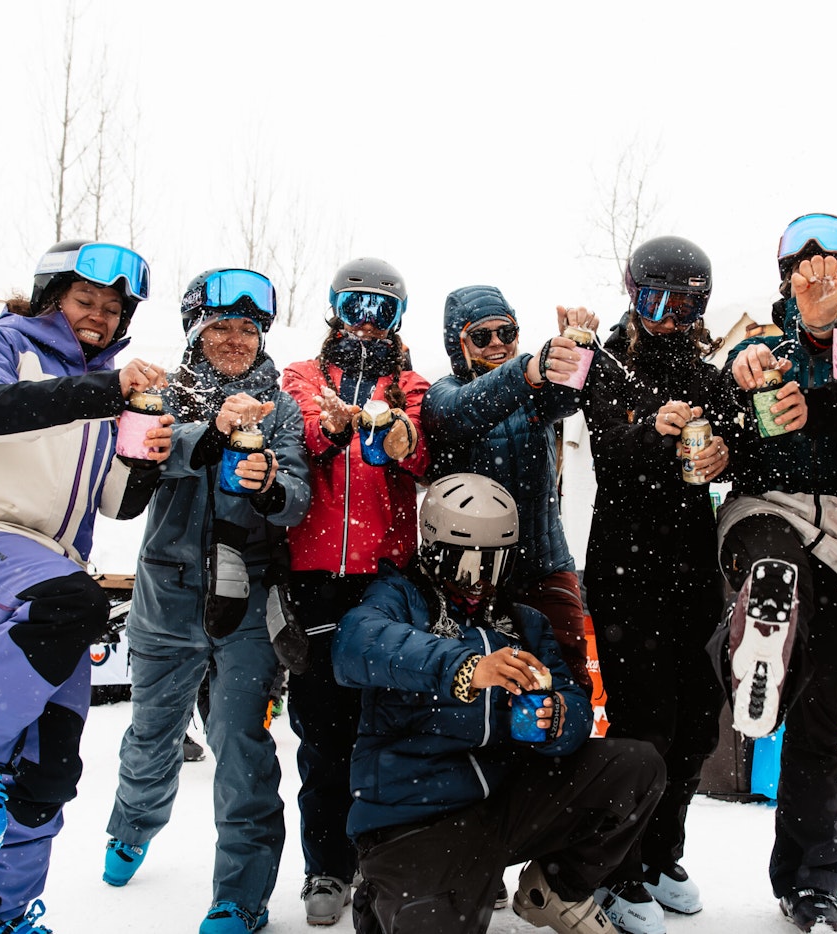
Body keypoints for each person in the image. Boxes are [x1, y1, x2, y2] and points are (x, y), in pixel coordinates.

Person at [0, 240, 169, 934]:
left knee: (46, 768)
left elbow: (116, 504)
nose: (100, 317)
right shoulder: (1, 344)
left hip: (47, 570)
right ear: (52, 296)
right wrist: (104, 391)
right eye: (86, 300)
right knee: (69, 603)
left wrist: (143, 455)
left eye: (112, 309)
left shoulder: (110, 390)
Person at [334, 472, 664, 934]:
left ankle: (554, 889)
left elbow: (572, 699)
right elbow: (355, 643)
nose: (477, 582)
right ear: (432, 549)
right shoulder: (401, 599)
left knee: (636, 764)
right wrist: (465, 668)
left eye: (491, 566)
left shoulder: (524, 622)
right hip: (419, 817)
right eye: (463, 563)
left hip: (506, 803)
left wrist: (558, 720)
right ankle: (385, 892)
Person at [102, 269, 312, 934]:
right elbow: (148, 464)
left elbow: (299, 494)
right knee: (152, 735)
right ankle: (133, 823)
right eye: (221, 325)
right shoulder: (163, 396)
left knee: (242, 747)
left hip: (245, 598)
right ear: (196, 329)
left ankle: (239, 898)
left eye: (248, 328)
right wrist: (212, 435)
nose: (235, 339)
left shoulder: (279, 409)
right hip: (166, 596)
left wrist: (273, 483)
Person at [719, 213, 837, 932]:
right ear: (782, 276)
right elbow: (734, 402)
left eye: (834, 263)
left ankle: (811, 882)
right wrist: (743, 383)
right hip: (768, 514)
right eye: (802, 263)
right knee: (771, 561)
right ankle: (754, 644)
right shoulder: (760, 342)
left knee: (825, 724)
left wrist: (828, 338)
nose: (817, 275)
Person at [581, 235, 743, 933]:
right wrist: (650, 428)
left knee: (699, 719)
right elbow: (609, 453)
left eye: (686, 305)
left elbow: (737, 438)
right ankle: (614, 866)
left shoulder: (708, 374)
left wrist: (724, 448)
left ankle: (659, 851)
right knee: (644, 723)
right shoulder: (605, 366)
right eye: (656, 300)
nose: (669, 317)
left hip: (690, 566)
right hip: (625, 567)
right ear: (632, 292)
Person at [279, 257, 430, 927]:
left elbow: (427, 452)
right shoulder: (304, 376)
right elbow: (303, 431)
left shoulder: (411, 385)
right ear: (335, 309)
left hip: (383, 577)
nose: (367, 321)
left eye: (382, 310)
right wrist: (335, 426)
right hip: (314, 577)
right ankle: (327, 866)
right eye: (356, 306)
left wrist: (400, 437)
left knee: (386, 723)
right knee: (321, 729)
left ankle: (382, 856)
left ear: (398, 319)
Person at [423, 285, 598, 686]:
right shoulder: (442, 395)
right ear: (458, 343)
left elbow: (569, 396)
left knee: (566, 681)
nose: (498, 344)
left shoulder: (534, 393)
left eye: (507, 332)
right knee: (492, 691)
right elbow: (460, 412)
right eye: (482, 337)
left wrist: (578, 344)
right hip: (474, 577)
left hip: (545, 565)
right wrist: (528, 370)